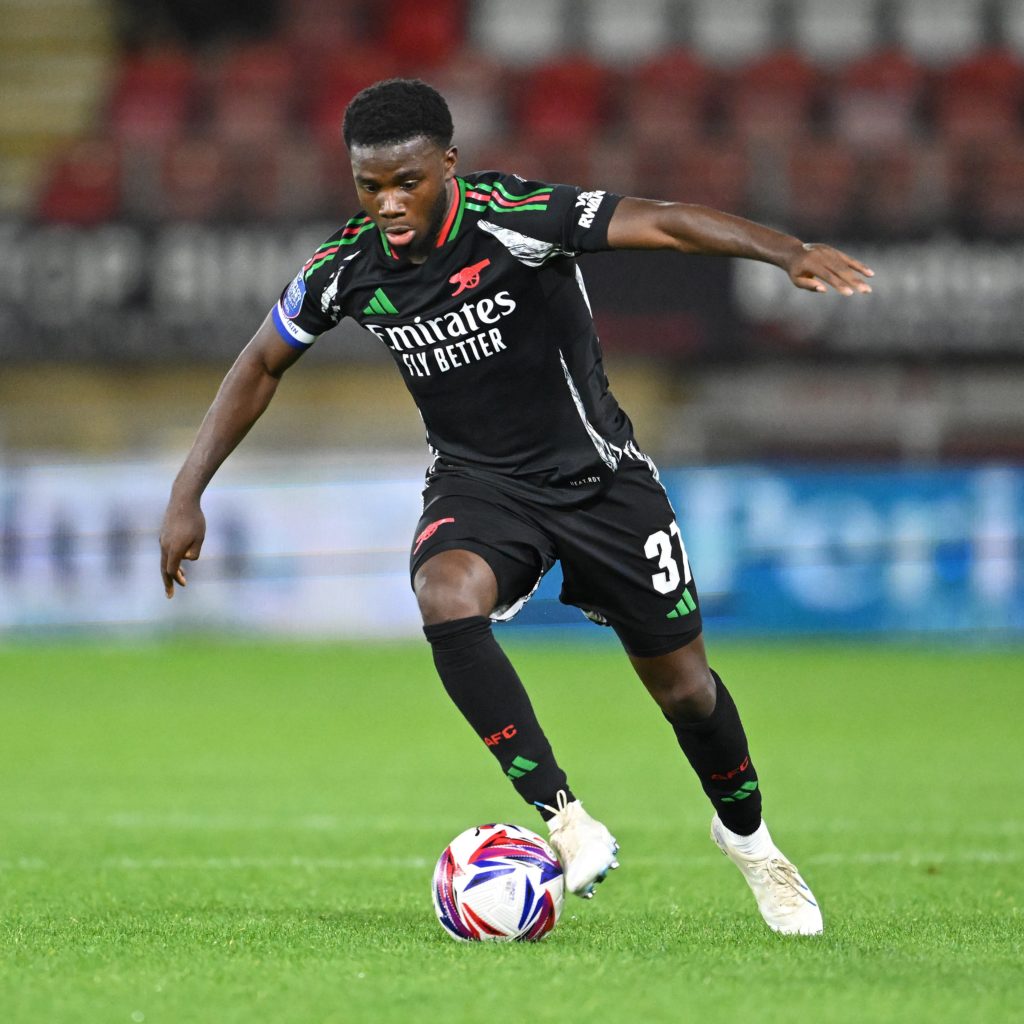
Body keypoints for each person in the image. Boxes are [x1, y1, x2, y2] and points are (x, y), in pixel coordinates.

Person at [159, 78, 873, 936]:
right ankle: (566, 820)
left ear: (448, 165)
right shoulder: (344, 268)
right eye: (369, 185)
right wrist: (185, 492)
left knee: (685, 691)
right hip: (479, 487)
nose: (388, 203)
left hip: (602, 483)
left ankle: (753, 844)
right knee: (443, 594)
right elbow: (260, 363)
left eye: (407, 182)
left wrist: (783, 251)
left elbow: (669, 220)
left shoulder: (517, 216)